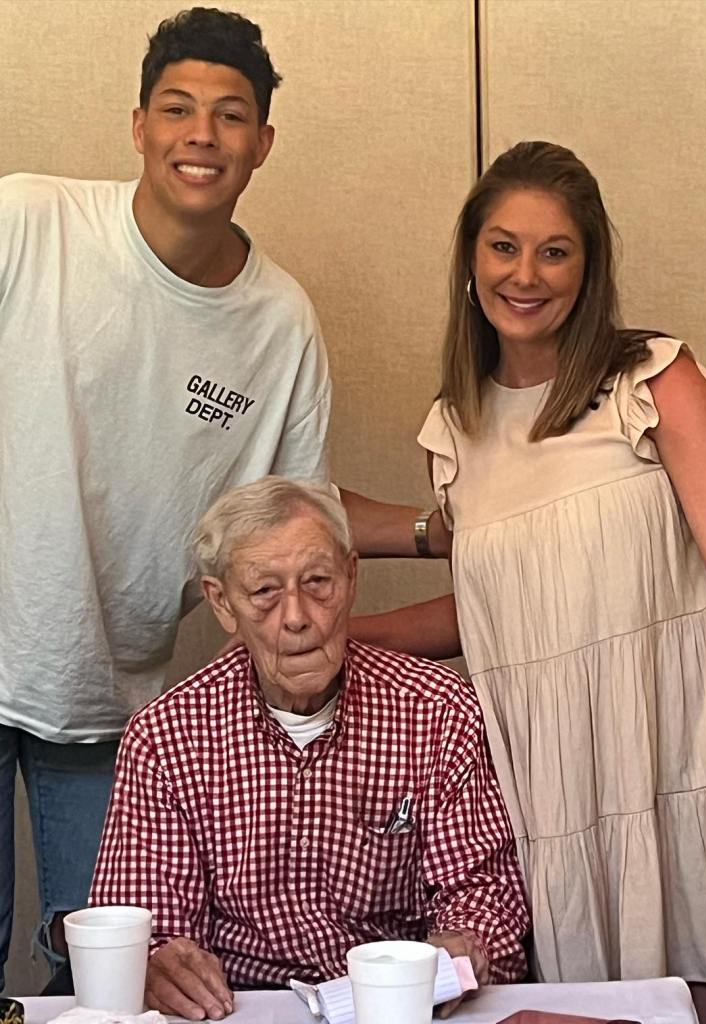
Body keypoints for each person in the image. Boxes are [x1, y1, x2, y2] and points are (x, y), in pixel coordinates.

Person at [0, 7, 449, 989]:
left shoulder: (278, 321)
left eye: (229, 114)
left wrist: (442, 530)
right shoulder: (28, 220)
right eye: (177, 108)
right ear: (138, 125)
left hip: (107, 691)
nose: (201, 133)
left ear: (262, 144)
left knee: (111, 981)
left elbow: (294, 517)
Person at [352, 140, 706, 1021]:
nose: (526, 274)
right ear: (470, 260)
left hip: (686, 735)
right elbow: (502, 615)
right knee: (592, 1004)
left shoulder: (651, 380)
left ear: (588, 268)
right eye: (503, 246)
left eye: (555, 250)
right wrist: (337, 641)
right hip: (556, 769)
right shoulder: (457, 427)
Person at [89, 477, 527, 1022]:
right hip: (240, 1008)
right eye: (265, 592)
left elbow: (483, 890)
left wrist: (466, 944)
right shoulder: (166, 735)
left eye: (317, 581)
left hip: (396, 1008)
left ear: (351, 576)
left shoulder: (436, 710)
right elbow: (149, 925)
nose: (296, 616)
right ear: (222, 604)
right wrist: (157, 963)